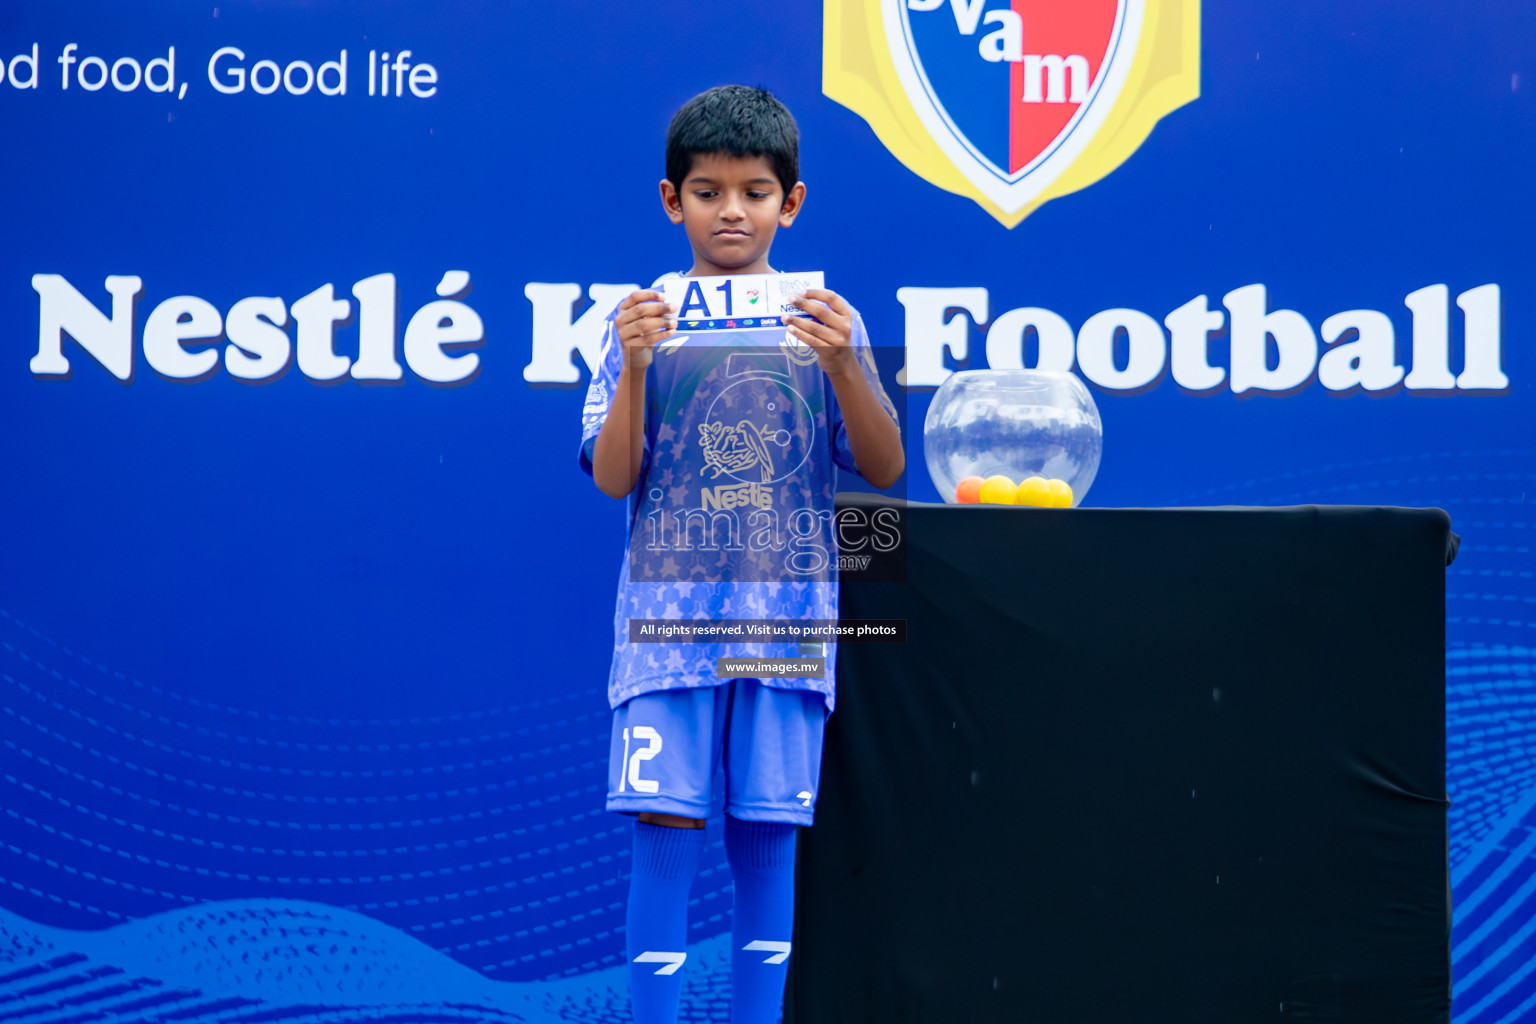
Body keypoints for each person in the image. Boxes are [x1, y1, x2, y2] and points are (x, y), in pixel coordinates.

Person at [578, 84, 903, 1024]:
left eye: (755, 192)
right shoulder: (639, 319)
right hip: (666, 627)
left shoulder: (824, 318)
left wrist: (844, 362)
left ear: (790, 203)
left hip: (784, 621)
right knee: (664, 830)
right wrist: (637, 366)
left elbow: (882, 469)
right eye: (708, 191)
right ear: (671, 200)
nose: (732, 211)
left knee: (768, 838)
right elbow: (613, 476)